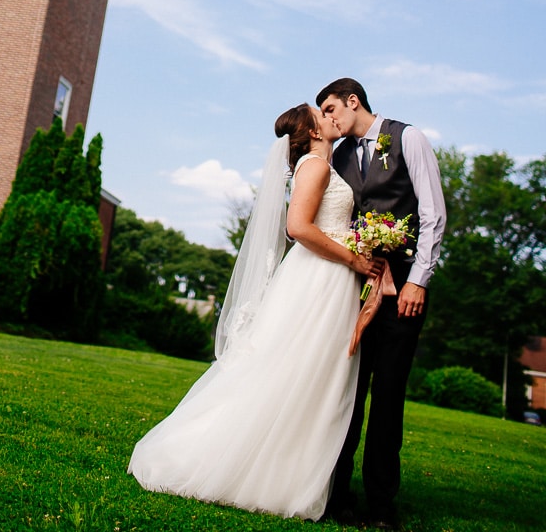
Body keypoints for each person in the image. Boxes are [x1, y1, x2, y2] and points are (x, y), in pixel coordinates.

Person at [128, 104, 380, 521]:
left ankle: (286, 473)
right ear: (313, 131)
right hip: (320, 277)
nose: (330, 117)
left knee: (307, 376)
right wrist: (353, 259)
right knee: (296, 372)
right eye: (323, 114)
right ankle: (246, 467)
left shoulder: (319, 164)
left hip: (327, 279)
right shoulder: (315, 167)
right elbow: (298, 227)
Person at [316, 78, 447, 529]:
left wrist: (418, 281)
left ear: (354, 101)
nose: (330, 120)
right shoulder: (341, 155)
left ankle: (381, 505)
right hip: (353, 290)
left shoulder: (408, 138)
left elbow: (433, 215)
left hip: (403, 294)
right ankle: (337, 494)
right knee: (346, 393)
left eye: (332, 109)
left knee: (388, 396)